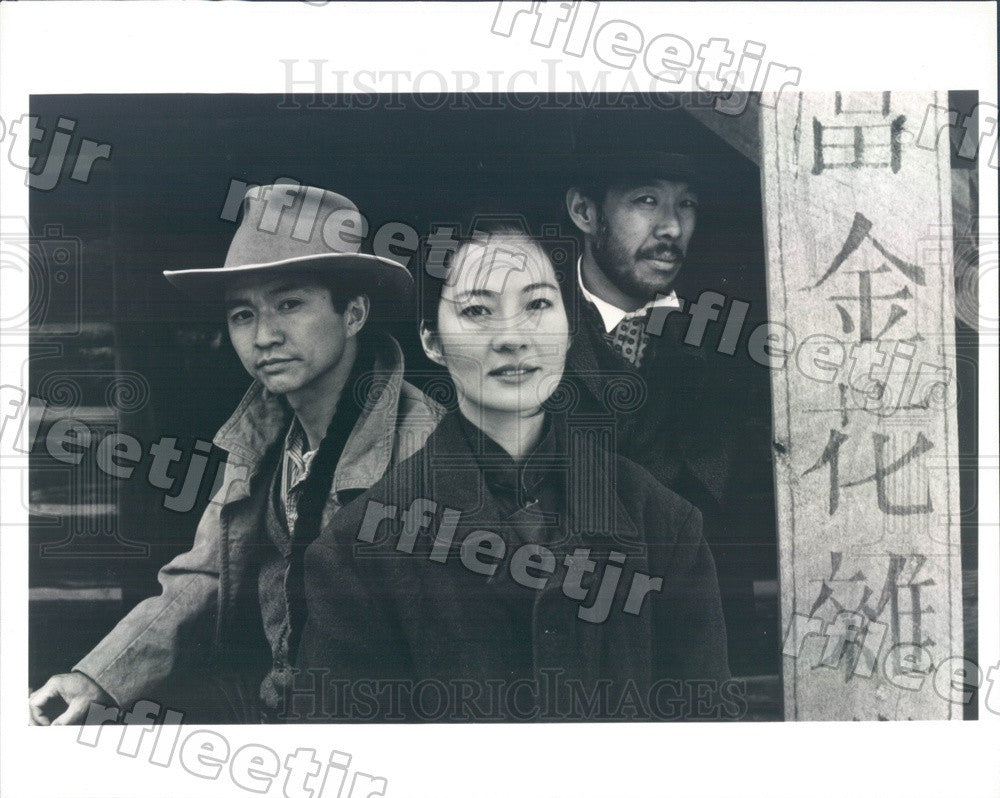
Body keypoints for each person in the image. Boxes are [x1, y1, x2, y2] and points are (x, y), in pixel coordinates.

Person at [28, 183, 442, 725]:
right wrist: (97, 678)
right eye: (243, 314)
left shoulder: (430, 444)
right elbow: (206, 575)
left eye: (289, 303)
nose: (265, 335)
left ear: (355, 314)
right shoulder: (260, 441)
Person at [292, 228, 731, 723]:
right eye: (477, 310)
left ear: (568, 328)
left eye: (538, 304)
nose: (513, 338)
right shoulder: (356, 549)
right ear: (431, 341)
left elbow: (705, 744)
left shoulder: (666, 528)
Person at [563, 151, 776, 675]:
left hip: (700, 647)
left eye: (687, 204)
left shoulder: (741, 342)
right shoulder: (519, 323)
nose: (672, 227)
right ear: (585, 212)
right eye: (646, 200)